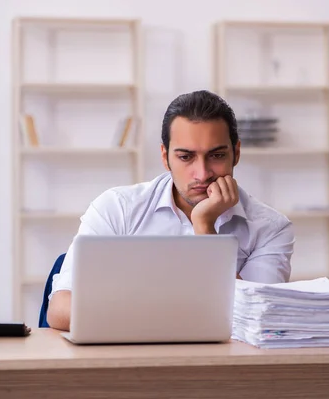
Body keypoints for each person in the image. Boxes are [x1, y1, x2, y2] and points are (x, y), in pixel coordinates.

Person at [46, 90, 295, 331]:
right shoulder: (116, 208)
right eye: (186, 157)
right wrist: (162, 319)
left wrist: (205, 227)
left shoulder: (271, 228)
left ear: (236, 153)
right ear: (165, 157)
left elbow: (256, 319)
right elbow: (60, 310)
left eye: (216, 155)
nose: (202, 173)